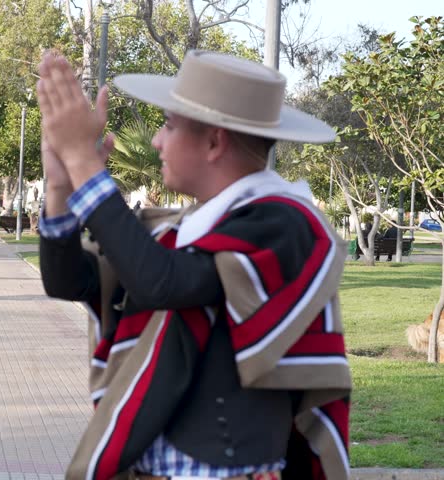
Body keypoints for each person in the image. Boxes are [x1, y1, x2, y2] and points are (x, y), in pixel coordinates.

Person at [36, 50, 351, 480]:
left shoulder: (283, 222)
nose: (156, 142)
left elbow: (161, 283)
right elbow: (70, 281)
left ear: (213, 142)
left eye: (167, 125)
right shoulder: (187, 230)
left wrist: (86, 166)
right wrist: (61, 184)